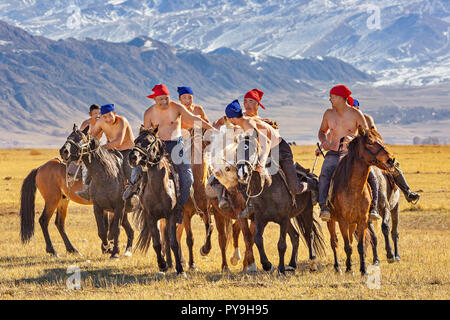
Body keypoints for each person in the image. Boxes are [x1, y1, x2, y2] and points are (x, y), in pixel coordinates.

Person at [123, 84, 216, 224]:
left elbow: (194, 119)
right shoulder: (149, 113)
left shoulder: (177, 107)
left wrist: (213, 130)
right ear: (155, 99)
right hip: (157, 145)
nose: (164, 102)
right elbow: (147, 134)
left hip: (175, 145)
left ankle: (179, 208)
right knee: (138, 167)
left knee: (188, 177)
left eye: (166, 98)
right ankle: (133, 190)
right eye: (161, 99)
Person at [220, 100, 307, 219]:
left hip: (280, 149)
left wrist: (261, 163)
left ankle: (312, 185)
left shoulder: (248, 124)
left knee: (295, 187)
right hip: (269, 150)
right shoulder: (243, 121)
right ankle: (251, 204)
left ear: (231, 118)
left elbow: (266, 142)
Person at [316, 85, 382, 222]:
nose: (330, 99)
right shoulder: (328, 113)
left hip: (352, 155)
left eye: (332, 96)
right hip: (334, 153)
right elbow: (321, 132)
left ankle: (373, 207)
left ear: (341, 98)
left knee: (371, 176)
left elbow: (367, 135)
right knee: (325, 172)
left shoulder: (356, 114)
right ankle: (323, 207)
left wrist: (353, 139)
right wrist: (324, 142)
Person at [352, 99, 420, 205]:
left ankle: (407, 192)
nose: (352, 111)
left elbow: (375, 136)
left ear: (357, 109)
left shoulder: (367, 119)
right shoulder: (344, 118)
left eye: (354, 108)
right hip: (354, 155)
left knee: (392, 164)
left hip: (370, 152)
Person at [75, 104, 135, 200]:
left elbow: (118, 142)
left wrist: (100, 148)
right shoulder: (101, 122)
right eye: (104, 117)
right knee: (95, 162)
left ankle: (135, 193)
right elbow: (92, 137)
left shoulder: (122, 121)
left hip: (127, 150)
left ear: (114, 113)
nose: (108, 119)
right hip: (111, 151)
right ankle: (87, 189)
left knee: (129, 170)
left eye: (110, 115)